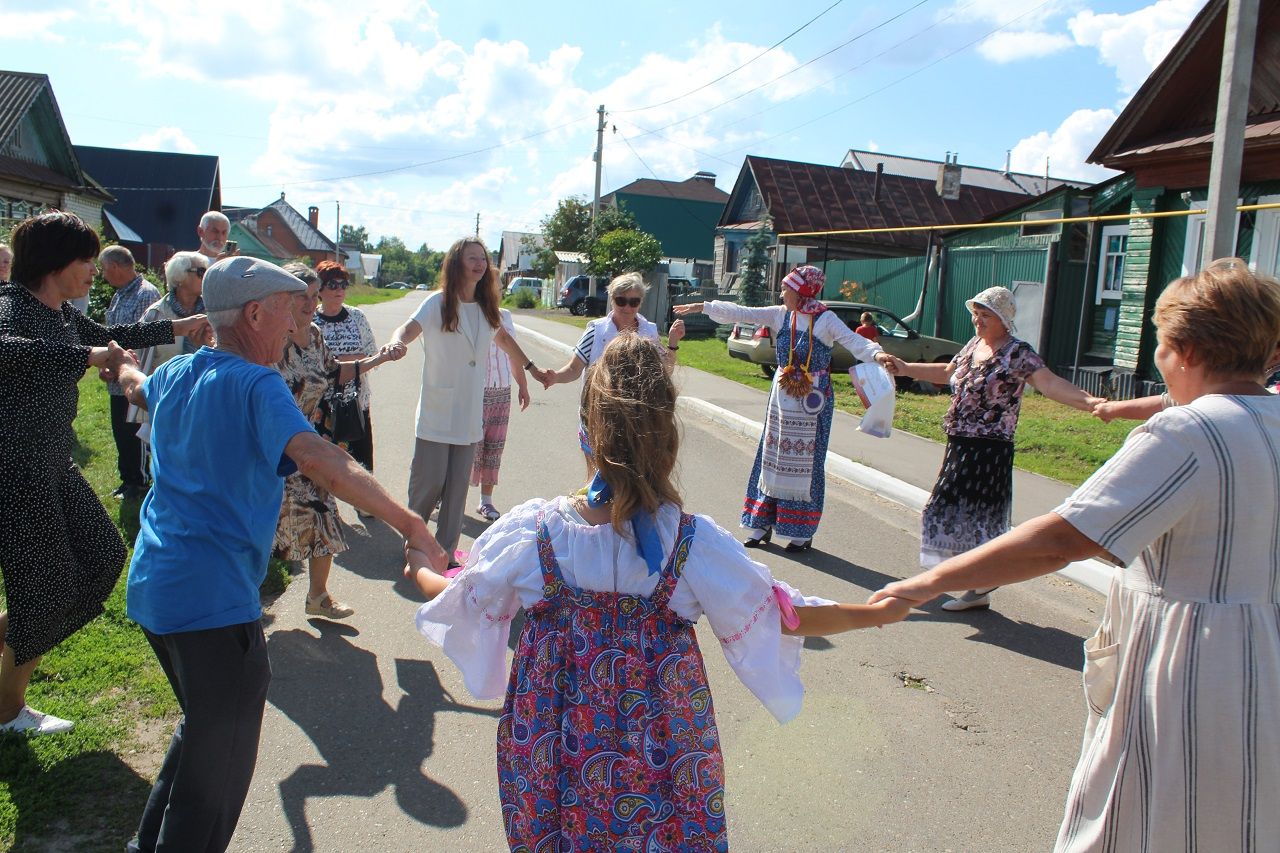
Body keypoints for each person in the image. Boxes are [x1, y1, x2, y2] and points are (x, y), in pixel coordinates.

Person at [407, 334, 912, 851]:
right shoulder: (691, 543)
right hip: (662, 745)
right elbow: (784, 615)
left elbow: (464, 594)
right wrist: (875, 613)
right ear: (666, 436)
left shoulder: (536, 533)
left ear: (587, 431)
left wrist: (423, 564)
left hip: (554, 739)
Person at [872, 258, 1280, 853]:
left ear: (1186, 350)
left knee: (1141, 812)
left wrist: (927, 583)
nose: (1161, 364)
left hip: (1189, 659)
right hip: (1264, 654)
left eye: (1161, 348)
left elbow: (1063, 538)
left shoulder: (1188, 432)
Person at [115, 255, 447, 853]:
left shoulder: (180, 374)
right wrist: (409, 524)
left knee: (201, 736)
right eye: (290, 307)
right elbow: (319, 456)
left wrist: (117, 365)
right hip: (211, 606)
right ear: (253, 312)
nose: (298, 319)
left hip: (155, 589)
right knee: (214, 779)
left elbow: (137, 386)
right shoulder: (255, 382)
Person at [0, 211, 206, 736]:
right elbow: (9, 351)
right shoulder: (11, 307)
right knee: (43, 593)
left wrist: (177, 326)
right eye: (85, 259)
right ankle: (7, 710)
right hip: (17, 472)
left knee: (103, 557)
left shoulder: (64, 314)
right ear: (53, 262)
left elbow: (117, 334)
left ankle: (15, 643)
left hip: (52, 464)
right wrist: (86, 356)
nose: (95, 269)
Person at [882, 286, 1103, 611]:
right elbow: (947, 373)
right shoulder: (974, 346)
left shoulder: (1017, 353)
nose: (977, 321)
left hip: (990, 449)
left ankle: (978, 581)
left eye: (985, 316)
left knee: (976, 517)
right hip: (959, 442)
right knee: (948, 513)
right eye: (976, 313)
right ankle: (977, 582)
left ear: (1003, 319)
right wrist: (905, 367)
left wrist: (1090, 402)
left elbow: (1049, 383)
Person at [675, 265, 893, 552]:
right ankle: (759, 524)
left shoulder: (825, 319)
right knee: (772, 454)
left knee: (807, 461)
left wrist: (878, 354)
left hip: (812, 401)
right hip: (782, 396)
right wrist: (703, 306)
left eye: (786, 288)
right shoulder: (781, 314)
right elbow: (742, 312)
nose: (781, 293)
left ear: (802, 292)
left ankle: (800, 531)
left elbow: (854, 341)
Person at [386, 237, 549, 569]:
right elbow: (409, 328)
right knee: (427, 485)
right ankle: (414, 545)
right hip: (437, 411)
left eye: (483, 259)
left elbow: (505, 340)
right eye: (472, 258)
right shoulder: (437, 304)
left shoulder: (487, 309)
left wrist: (532, 370)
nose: (479, 264)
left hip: (468, 415)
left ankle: (444, 554)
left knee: (458, 490)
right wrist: (395, 342)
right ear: (456, 263)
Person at [274, 263, 397, 620]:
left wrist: (377, 359)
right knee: (267, 527)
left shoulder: (313, 335)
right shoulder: (271, 338)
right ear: (283, 299)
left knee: (324, 514)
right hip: (276, 447)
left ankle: (318, 597)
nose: (312, 303)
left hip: (313, 443)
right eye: (304, 297)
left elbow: (334, 372)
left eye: (315, 295)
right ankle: (248, 604)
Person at [541, 272, 685, 469]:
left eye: (633, 302)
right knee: (597, 477)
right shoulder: (597, 331)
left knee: (629, 476)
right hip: (597, 414)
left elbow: (664, 370)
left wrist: (673, 343)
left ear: (640, 303)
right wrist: (555, 377)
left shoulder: (649, 332)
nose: (627, 307)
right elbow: (574, 368)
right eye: (621, 301)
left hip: (636, 418)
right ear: (611, 300)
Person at [99, 244, 162, 498]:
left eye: (104, 269)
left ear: (115, 267)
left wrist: (120, 366)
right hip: (116, 376)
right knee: (120, 430)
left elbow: (143, 338)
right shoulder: (120, 294)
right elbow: (111, 332)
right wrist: (107, 364)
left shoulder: (145, 294)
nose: (103, 275)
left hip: (131, 376)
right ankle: (127, 478)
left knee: (132, 429)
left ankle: (138, 480)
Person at [313, 260, 378, 482]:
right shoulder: (311, 319)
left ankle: (366, 502)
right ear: (319, 289)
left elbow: (372, 355)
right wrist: (350, 360)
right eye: (332, 285)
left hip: (355, 400)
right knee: (322, 462)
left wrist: (337, 361)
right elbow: (309, 359)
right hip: (320, 403)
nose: (339, 290)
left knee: (361, 458)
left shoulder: (357, 317)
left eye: (343, 284)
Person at [470, 306, 530, 521]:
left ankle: (485, 501)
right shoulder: (471, 313)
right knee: (467, 448)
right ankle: (446, 494)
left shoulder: (505, 315)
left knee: (494, 448)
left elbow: (513, 354)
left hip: (502, 390)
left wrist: (522, 386)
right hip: (475, 390)